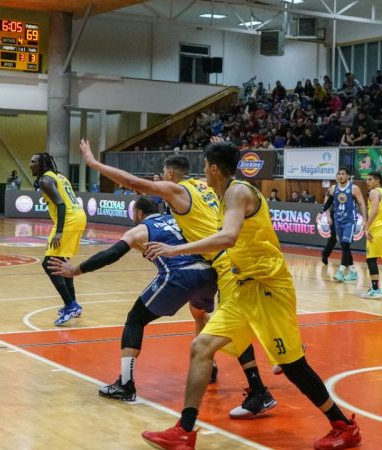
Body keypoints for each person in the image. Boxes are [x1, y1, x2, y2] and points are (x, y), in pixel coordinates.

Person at [141, 141, 362, 450]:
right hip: (245, 288)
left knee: (294, 366)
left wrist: (175, 249)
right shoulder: (224, 196)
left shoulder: (237, 192)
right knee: (201, 347)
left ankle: (344, 426)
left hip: (269, 288)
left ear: (214, 168)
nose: (203, 173)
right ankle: (184, 431)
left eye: (205, 167)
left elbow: (229, 237)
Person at [78, 139, 275, 418]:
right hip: (228, 264)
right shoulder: (207, 186)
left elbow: (135, 183)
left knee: (230, 328)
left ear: (170, 175)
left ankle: (261, 388)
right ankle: (229, 370)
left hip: (224, 263)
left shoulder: (177, 191)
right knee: (221, 322)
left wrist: (94, 164)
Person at [48, 197, 217, 401]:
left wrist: (76, 270)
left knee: (135, 319)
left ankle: (125, 385)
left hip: (179, 275)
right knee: (199, 313)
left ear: (138, 213)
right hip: (208, 274)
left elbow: (112, 254)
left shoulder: (139, 230)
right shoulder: (178, 220)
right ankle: (210, 367)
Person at [30, 152, 87, 326]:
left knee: (49, 263)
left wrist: (59, 232)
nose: (30, 164)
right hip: (78, 216)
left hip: (68, 220)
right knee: (62, 263)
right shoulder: (58, 176)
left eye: (33, 161)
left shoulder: (45, 180)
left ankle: (70, 305)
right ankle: (73, 305)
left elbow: (61, 204)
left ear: (42, 164)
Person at [321, 168, 366, 282]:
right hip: (338, 220)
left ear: (348, 176)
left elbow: (361, 203)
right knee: (344, 246)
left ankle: (340, 272)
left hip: (349, 221)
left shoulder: (354, 188)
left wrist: (365, 219)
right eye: (339, 174)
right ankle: (353, 271)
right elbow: (328, 202)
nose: (340, 176)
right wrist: (322, 213)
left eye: (343, 174)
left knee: (345, 244)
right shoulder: (333, 188)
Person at [363, 171, 382, 298]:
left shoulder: (374, 192)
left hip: (377, 229)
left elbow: (374, 211)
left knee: (371, 259)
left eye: (370, 179)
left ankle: (375, 289)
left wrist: (366, 227)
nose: (367, 182)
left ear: (377, 181)